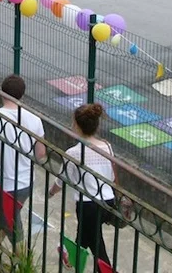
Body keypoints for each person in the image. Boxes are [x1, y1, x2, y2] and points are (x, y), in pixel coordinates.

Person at [0, 75, 46, 254]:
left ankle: (22, 261)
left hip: (2, 185)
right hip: (26, 183)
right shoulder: (35, 119)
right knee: (6, 217)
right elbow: (41, 154)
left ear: (2, 92)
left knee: (13, 229)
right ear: (22, 95)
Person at [48, 103, 119, 271]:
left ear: (77, 126)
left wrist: (51, 192)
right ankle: (70, 258)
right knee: (84, 235)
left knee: (97, 246)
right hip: (108, 201)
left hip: (88, 205)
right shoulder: (107, 147)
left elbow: (62, 179)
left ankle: (104, 269)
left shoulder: (73, 153)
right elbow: (112, 176)